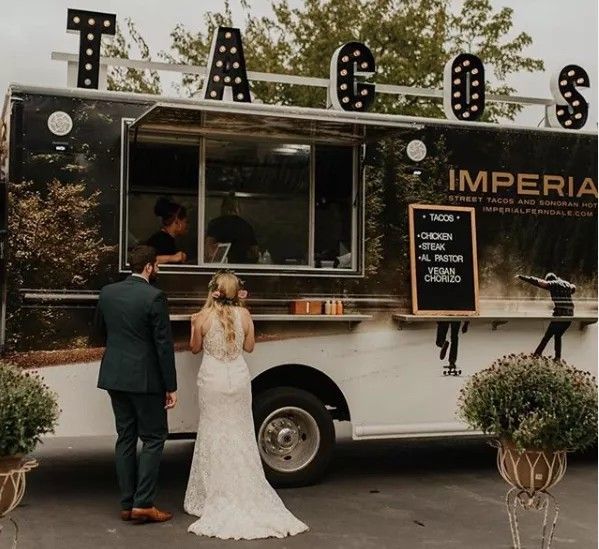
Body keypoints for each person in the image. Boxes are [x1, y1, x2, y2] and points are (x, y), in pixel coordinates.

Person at [183, 270, 308, 539]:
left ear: (213, 291)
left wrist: (194, 326)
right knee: (240, 431)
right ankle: (243, 489)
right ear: (236, 291)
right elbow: (249, 347)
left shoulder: (202, 317)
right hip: (238, 378)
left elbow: (194, 348)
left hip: (213, 379)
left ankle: (214, 493)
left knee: (214, 432)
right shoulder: (245, 316)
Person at [93, 245, 177, 524]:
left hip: (115, 375)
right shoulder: (155, 297)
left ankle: (127, 504)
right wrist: (171, 386)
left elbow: (99, 332)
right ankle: (144, 504)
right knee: (154, 438)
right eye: (157, 266)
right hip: (146, 379)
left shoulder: (108, 293)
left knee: (125, 437)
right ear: (149, 267)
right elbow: (163, 346)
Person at [517, 272, 576, 359]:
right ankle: (557, 358)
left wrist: (522, 277)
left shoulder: (552, 284)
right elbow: (573, 288)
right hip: (570, 315)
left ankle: (536, 355)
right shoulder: (566, 284)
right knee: (558, 336)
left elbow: (539, 282)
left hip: (560, 315)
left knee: (547, 336)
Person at [205, 194, 259, 264]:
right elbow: (255, 252)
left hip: (220, 268)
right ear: (238, 208)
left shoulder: (216, 224)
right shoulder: (246, 226)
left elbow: (208, 249)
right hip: (242, 267)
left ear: (223, 207)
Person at [146, 197, 188, 264]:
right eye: (185, 221)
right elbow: (145, 260)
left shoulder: (170, 240)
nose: (186, 225)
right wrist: (173, 258)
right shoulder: (159, 241)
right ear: (177, 222)